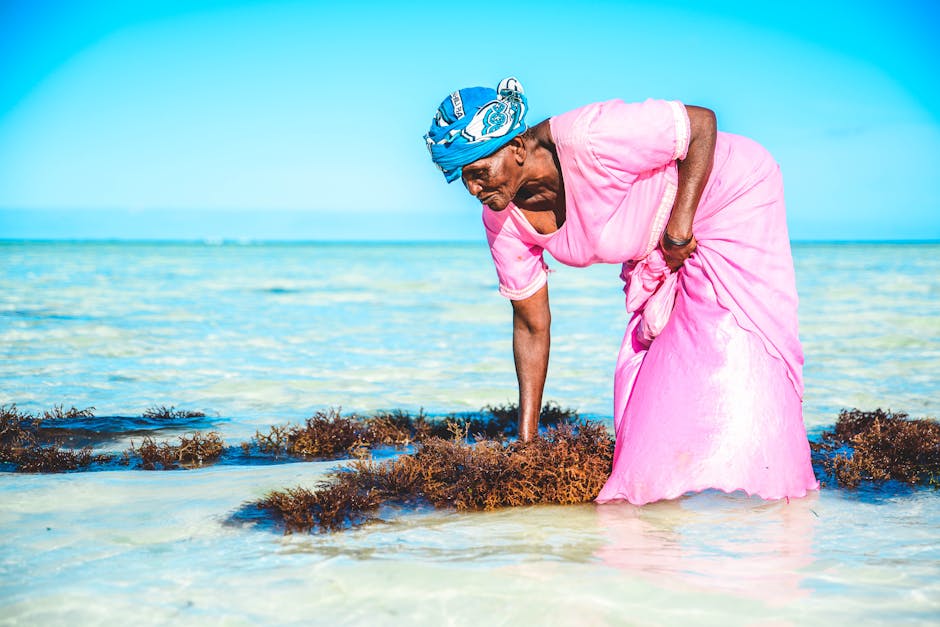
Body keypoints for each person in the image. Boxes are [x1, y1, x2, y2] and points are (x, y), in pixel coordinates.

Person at [424, 77, 819, 505]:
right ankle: (679, 510)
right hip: (660, 239)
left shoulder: (589, 136)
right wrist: (527, 442)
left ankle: (762, 499)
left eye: (479, 173)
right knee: (645, 387)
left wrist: (679, 228)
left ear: (518, 148)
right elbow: (531, 324)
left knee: (721, 337)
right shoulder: (502, 221)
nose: (474, 190)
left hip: (725, 190)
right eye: (461, 179)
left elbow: (702, 125)